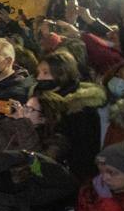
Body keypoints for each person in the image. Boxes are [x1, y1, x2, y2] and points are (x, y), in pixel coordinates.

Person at [35, 51, 107, 181]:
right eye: (38, 72)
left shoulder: (80, 107)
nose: (39, 78)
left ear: (62, 74)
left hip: (67, 175)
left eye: (46, 73)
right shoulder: (41, 98)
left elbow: (84, 152)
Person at [0, 91, 69, 163]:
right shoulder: (8, 124)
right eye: (25, 106)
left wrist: (22, 122)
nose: (23, 111)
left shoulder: (55, 142)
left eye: (30, 109)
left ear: (44, 118)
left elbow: (35, 163)